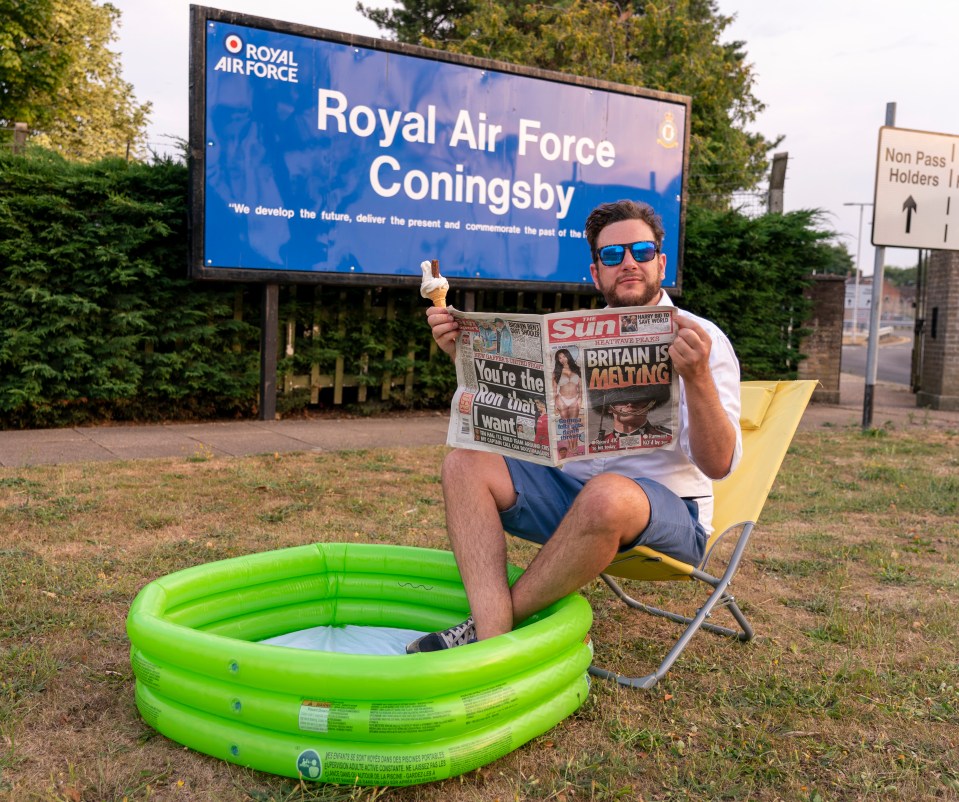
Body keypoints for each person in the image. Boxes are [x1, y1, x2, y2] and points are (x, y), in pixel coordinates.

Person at [407, 199, 741, 652]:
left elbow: (719, 463)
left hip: (668, 513)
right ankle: (490, 636)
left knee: (607, 493)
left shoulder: (701, 339)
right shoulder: (574, 337)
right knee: (464, 464)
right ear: (595, 271)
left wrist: (697, 378)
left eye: (641, 251)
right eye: (611, 255)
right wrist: (465, 359)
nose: (627, 263)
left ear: (661, 264)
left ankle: (489, 633)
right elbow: (524, 419)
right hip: (572, 498)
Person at [552, 348, 583, 419]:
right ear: (558, 360)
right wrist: (554, 404)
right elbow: (554, 389)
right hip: (561, 399)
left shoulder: (577, 369)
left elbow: (581, 386)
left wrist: (580, 398)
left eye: (564, 357)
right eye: (560, 358)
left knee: (573, 425)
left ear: (568, 356)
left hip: (575, 399)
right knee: (566, 426)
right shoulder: (556, 372)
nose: (562, 359)